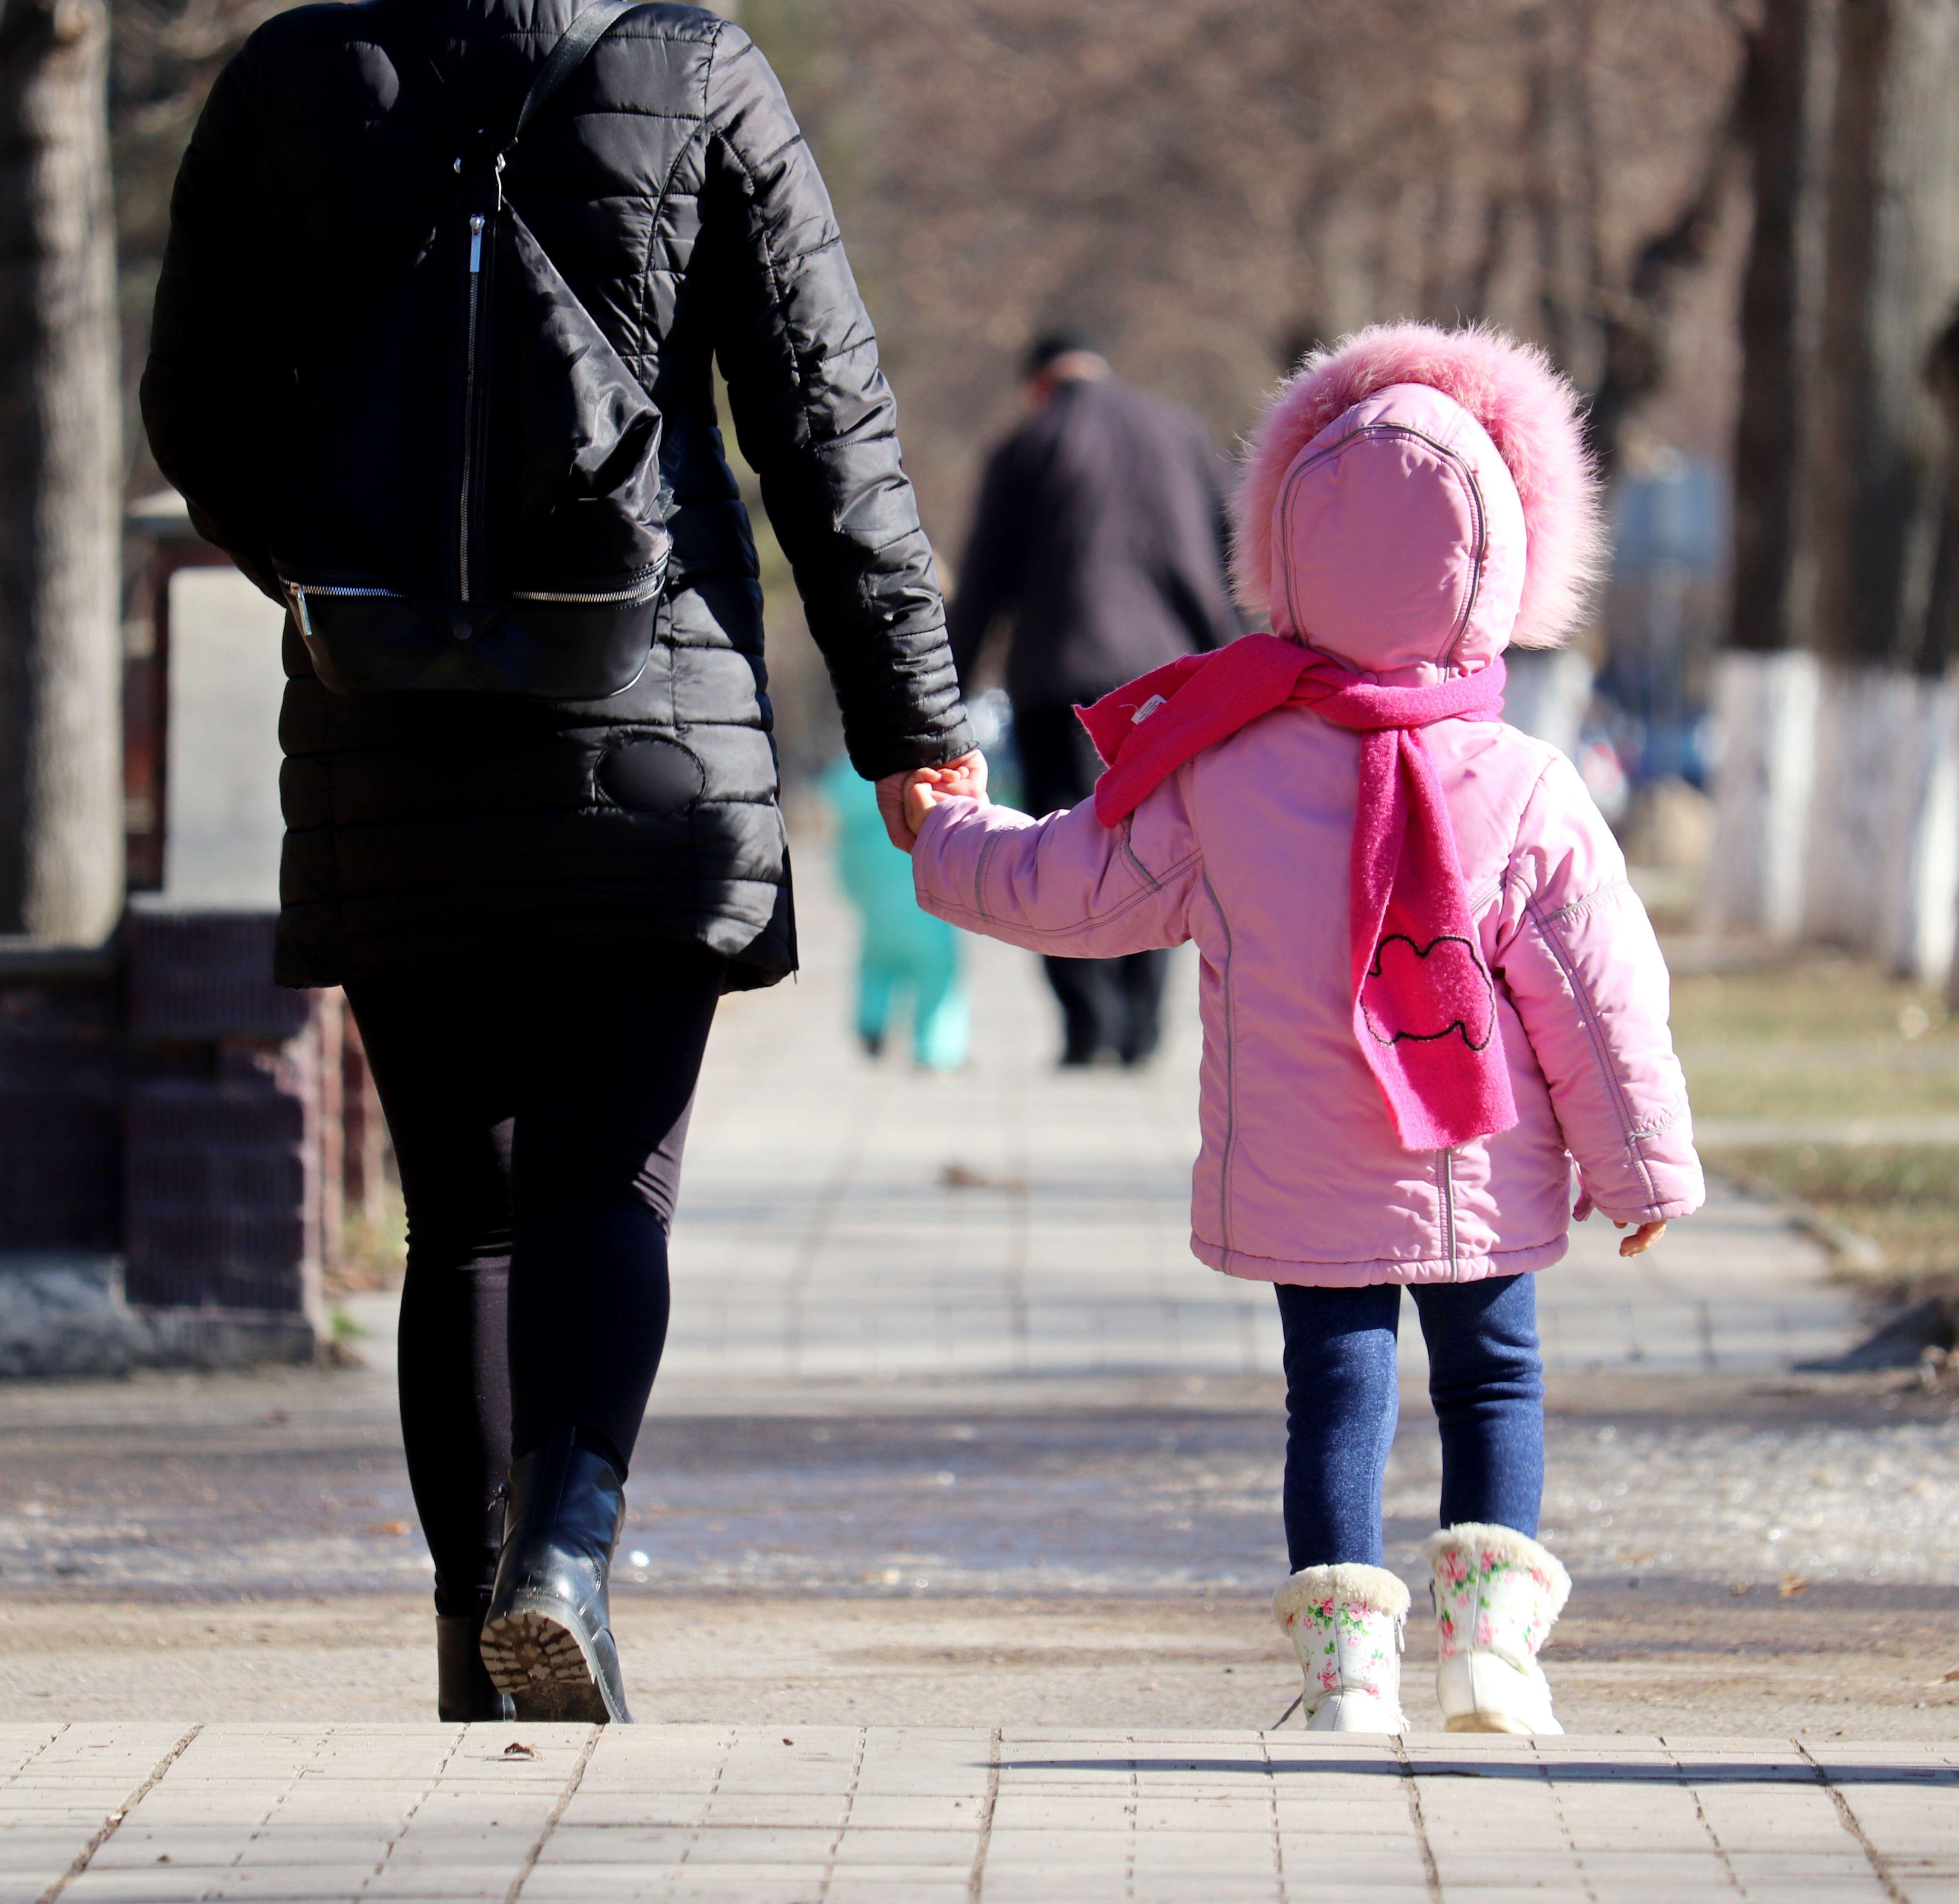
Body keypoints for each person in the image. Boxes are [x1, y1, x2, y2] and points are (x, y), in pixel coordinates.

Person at [141, 0, 980, 1726]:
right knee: (607, 1178)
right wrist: (911, 719)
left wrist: (346, 576)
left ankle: (471, 1633)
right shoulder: (697, 70)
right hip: (647, 726)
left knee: (465, 1209)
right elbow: (823, 420)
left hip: (390, 740)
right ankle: (569, 1562)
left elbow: (197, 411)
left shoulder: (294, 80)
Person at [898, 324, 1704, 1735]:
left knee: (1331, 1392)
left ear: (1279, 545)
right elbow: (1599, 994)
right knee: (1492, 1376)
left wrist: (946, 832)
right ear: (1508, 555)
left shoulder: (1223, 769)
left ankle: (1345, 1676)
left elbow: (1075, 885)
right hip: (1477, 1156)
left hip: (1298, 1164)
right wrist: (1640, 1172)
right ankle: (1494, 1655)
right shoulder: (1524, 782)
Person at [948, 334, 1241, 1067]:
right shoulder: (1182, 432)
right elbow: (1237, 553)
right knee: (1166, 843)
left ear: (1037, 385)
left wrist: (938, 695)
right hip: (1177, 685)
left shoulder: (1030, 443)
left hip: (1061, 681)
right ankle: (1142, 1026)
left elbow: (983, 578)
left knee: (1064, 844)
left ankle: (1090, 1023)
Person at [825, 768, 968, 1070]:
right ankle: (937, 1050)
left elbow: (847, 876)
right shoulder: (929, 800)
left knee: (876, 970)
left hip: (879, 919)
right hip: (932, 917)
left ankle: (872, 1025)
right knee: (937, 979)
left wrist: (861, 901)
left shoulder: (855, 830)